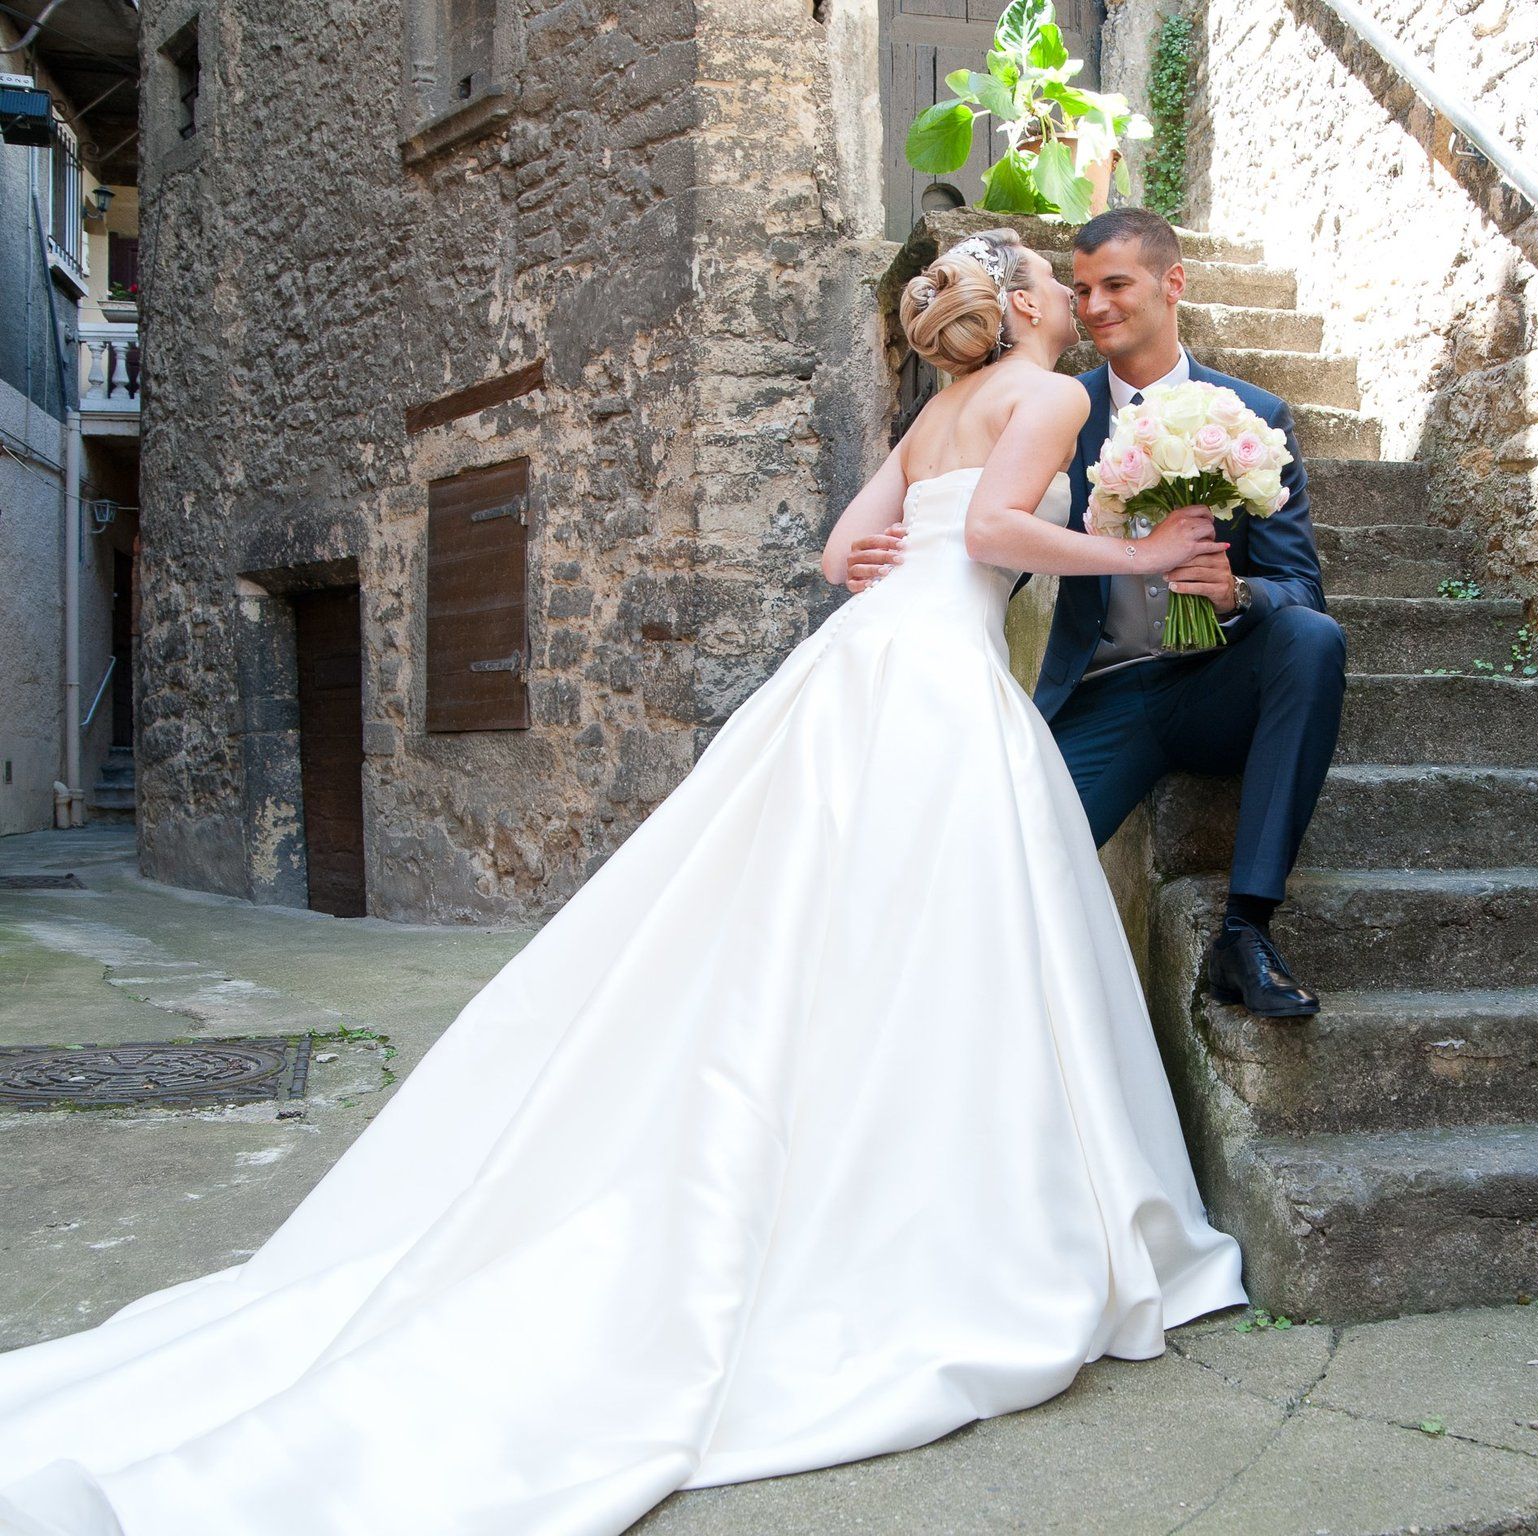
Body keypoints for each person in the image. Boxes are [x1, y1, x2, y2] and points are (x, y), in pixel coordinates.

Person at [0, 229, 1246, 1536]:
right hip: (938, 676)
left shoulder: (940, 408)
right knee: (937, 937)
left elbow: (841, 553)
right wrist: (1144, 557)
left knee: (818, 924)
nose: (1070, 296)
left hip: (863, 660)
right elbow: (994, 528)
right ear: (1025, 306)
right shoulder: (1047, 394)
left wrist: (954, 555)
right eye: (1054, 279)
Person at [848, 209, 1347, 1020]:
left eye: (1115, 284)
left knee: (1311, 637)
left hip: (1214, 681)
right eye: (1079, 290)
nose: (1094, 306)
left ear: (1172, 283)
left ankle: (1245, 931)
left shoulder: (1253, 415)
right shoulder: (1053, 406)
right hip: (1103, 693)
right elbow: (987, 533)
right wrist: (897, 559)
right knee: (1006, 874)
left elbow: (1299, 584)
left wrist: (1238, 594)